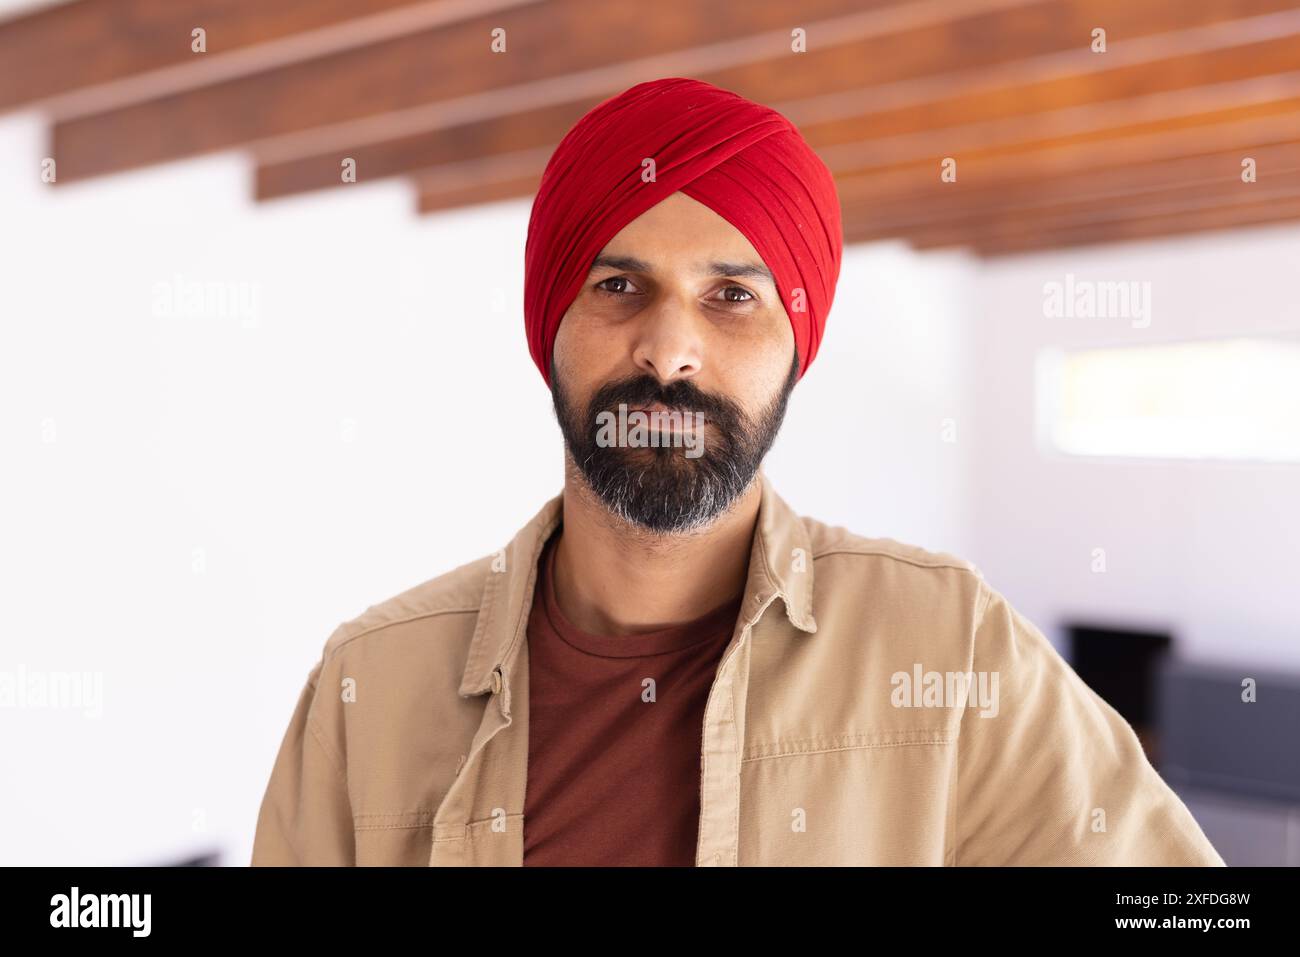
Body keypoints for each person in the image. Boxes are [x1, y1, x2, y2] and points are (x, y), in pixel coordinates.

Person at [251, 77, 1223, 867]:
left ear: (796, 350)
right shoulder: (369, 685)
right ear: (549, 328)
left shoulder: (946, 646)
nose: (668, 350)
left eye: (731, 297)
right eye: (618, 285)